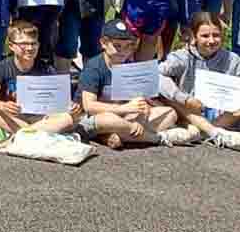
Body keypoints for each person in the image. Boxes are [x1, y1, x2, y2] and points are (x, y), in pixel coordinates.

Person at [159, 12, 240, 150]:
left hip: (221, 115)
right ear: (194, 36)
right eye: (205, 36)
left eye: (216, 35)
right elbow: (157, 75)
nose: (211, 41)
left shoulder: (232, 59)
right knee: (167, 92)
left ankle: (202, 132)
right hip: (189, 110)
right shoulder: (182, 57)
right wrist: (184, 98)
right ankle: (213, 133)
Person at [77, 19, 197, 149]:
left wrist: (141, 111)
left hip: (124, 116)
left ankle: (116, 135)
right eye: (117, 46)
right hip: (96, 117)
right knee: (107, 119)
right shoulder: (94, 67)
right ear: (104, 43)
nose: (123, 51)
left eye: (128, 46)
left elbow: (136, 100)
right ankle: (158, 138)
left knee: (170, 113)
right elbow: (89, 106)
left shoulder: (129, 65)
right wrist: (125, 109)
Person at [0, 21, 77, 139]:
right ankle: (36, 134)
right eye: (24, 44)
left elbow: (60, 100)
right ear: (11, 46)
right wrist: (3, 106)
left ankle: (26, 134)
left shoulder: (46, 68)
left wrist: (70, 106)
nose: (30, 48)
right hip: (15, 117)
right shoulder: (2, 67)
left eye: (33, 43)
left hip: (41, 118)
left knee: (68, 118)